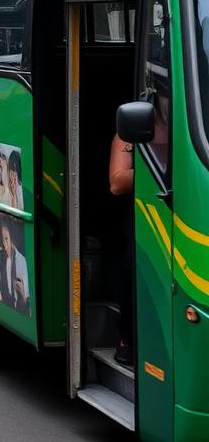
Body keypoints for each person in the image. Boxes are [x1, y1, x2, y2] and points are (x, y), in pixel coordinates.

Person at [109, 132, 135, 364]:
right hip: (143, 214)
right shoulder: (127, 135)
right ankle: (126, 340)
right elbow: (117, 182)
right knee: (133, 264)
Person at [0, 222, 30, 315]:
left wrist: (22, 294)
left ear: (12, 239)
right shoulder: (7, 261)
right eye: (3, 240)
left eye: (6, 239)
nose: (4, 244)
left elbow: (26, 298)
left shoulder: (21, 261)